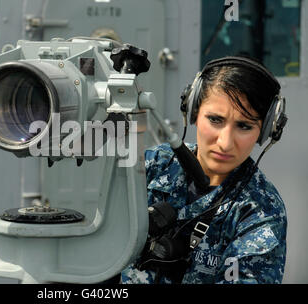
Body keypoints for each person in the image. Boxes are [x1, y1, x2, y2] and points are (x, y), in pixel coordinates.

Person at [121, 56, 288, 284]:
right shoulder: (153, 165)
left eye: (244, 126)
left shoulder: (260, 210)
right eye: (215, 120)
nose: (225, 142)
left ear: (265, 131)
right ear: (193, 112)